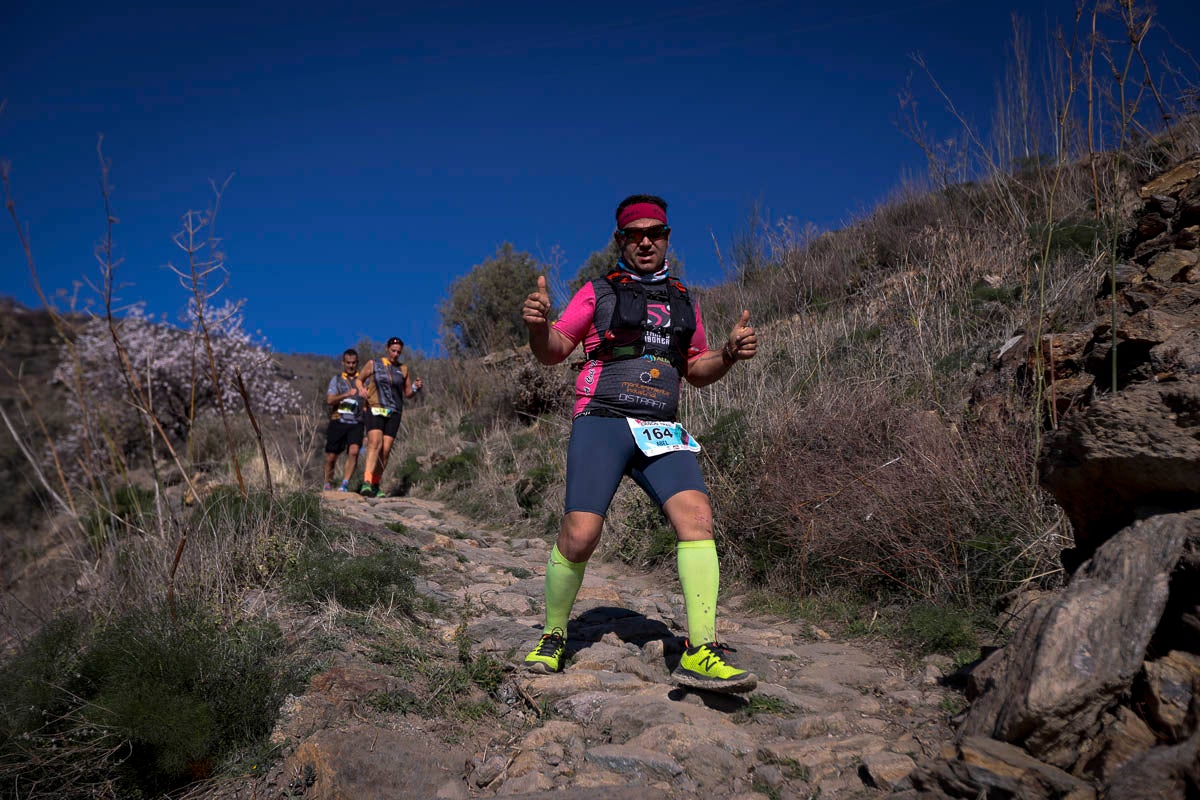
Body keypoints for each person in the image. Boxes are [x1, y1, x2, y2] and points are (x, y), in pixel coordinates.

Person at [519, 194, 759, 693]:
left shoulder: (683, 299)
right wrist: (538, 327)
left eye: (656, 232)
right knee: (581, 535)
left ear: (668, 237)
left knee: (697, 520)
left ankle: (701, 651)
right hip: (602, 420)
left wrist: (729, 354)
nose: (646, 241)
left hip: (661, 427)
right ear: (620, 241)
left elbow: (695, 370)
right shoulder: (598, 292)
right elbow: (553, 351)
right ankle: (553, 634)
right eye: (635, 234)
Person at [357, 337, 422, 498]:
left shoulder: (403, 369)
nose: (395, 354)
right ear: (387, 349)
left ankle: (376, 484)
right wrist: (361, 389)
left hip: (394, 411)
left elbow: (407, 394)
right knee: (374, 444)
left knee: (385, 450)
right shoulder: (374, 364)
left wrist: (415, 387)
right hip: (375, 407)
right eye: (393, 351)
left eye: (398, 352)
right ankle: (366, 482)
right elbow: (359, 379)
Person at [323, 348, 367, 492]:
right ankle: (327, 483)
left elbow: (370, 401)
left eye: (354, 363)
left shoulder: (364, 380)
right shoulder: (336, 380)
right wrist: (346, 394)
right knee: (331, 456)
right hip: (338, 420)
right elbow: (329, 400)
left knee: (354, 451)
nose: (351, 365)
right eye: (348, 363)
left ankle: (345, 484)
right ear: (343, 363)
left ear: (357, 363)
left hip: (357, 422)